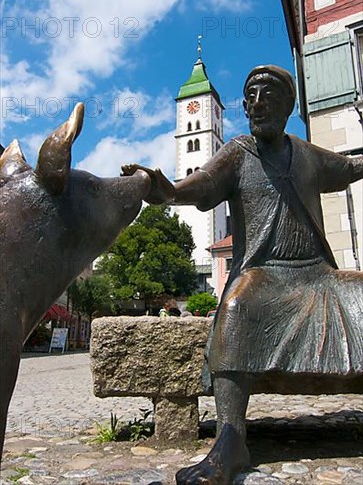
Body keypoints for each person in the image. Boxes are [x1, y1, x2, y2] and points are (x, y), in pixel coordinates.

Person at [122, 65, 363, 485]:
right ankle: (231, 437)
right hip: (264, 276)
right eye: (250, 95)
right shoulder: (238, 151)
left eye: (267, 95)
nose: (256, 103)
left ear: (287, 106)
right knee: (236, 305)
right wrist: (171, 192)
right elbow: (203, 182)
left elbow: (349, 167)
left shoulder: (306, 154)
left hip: (318, 276)